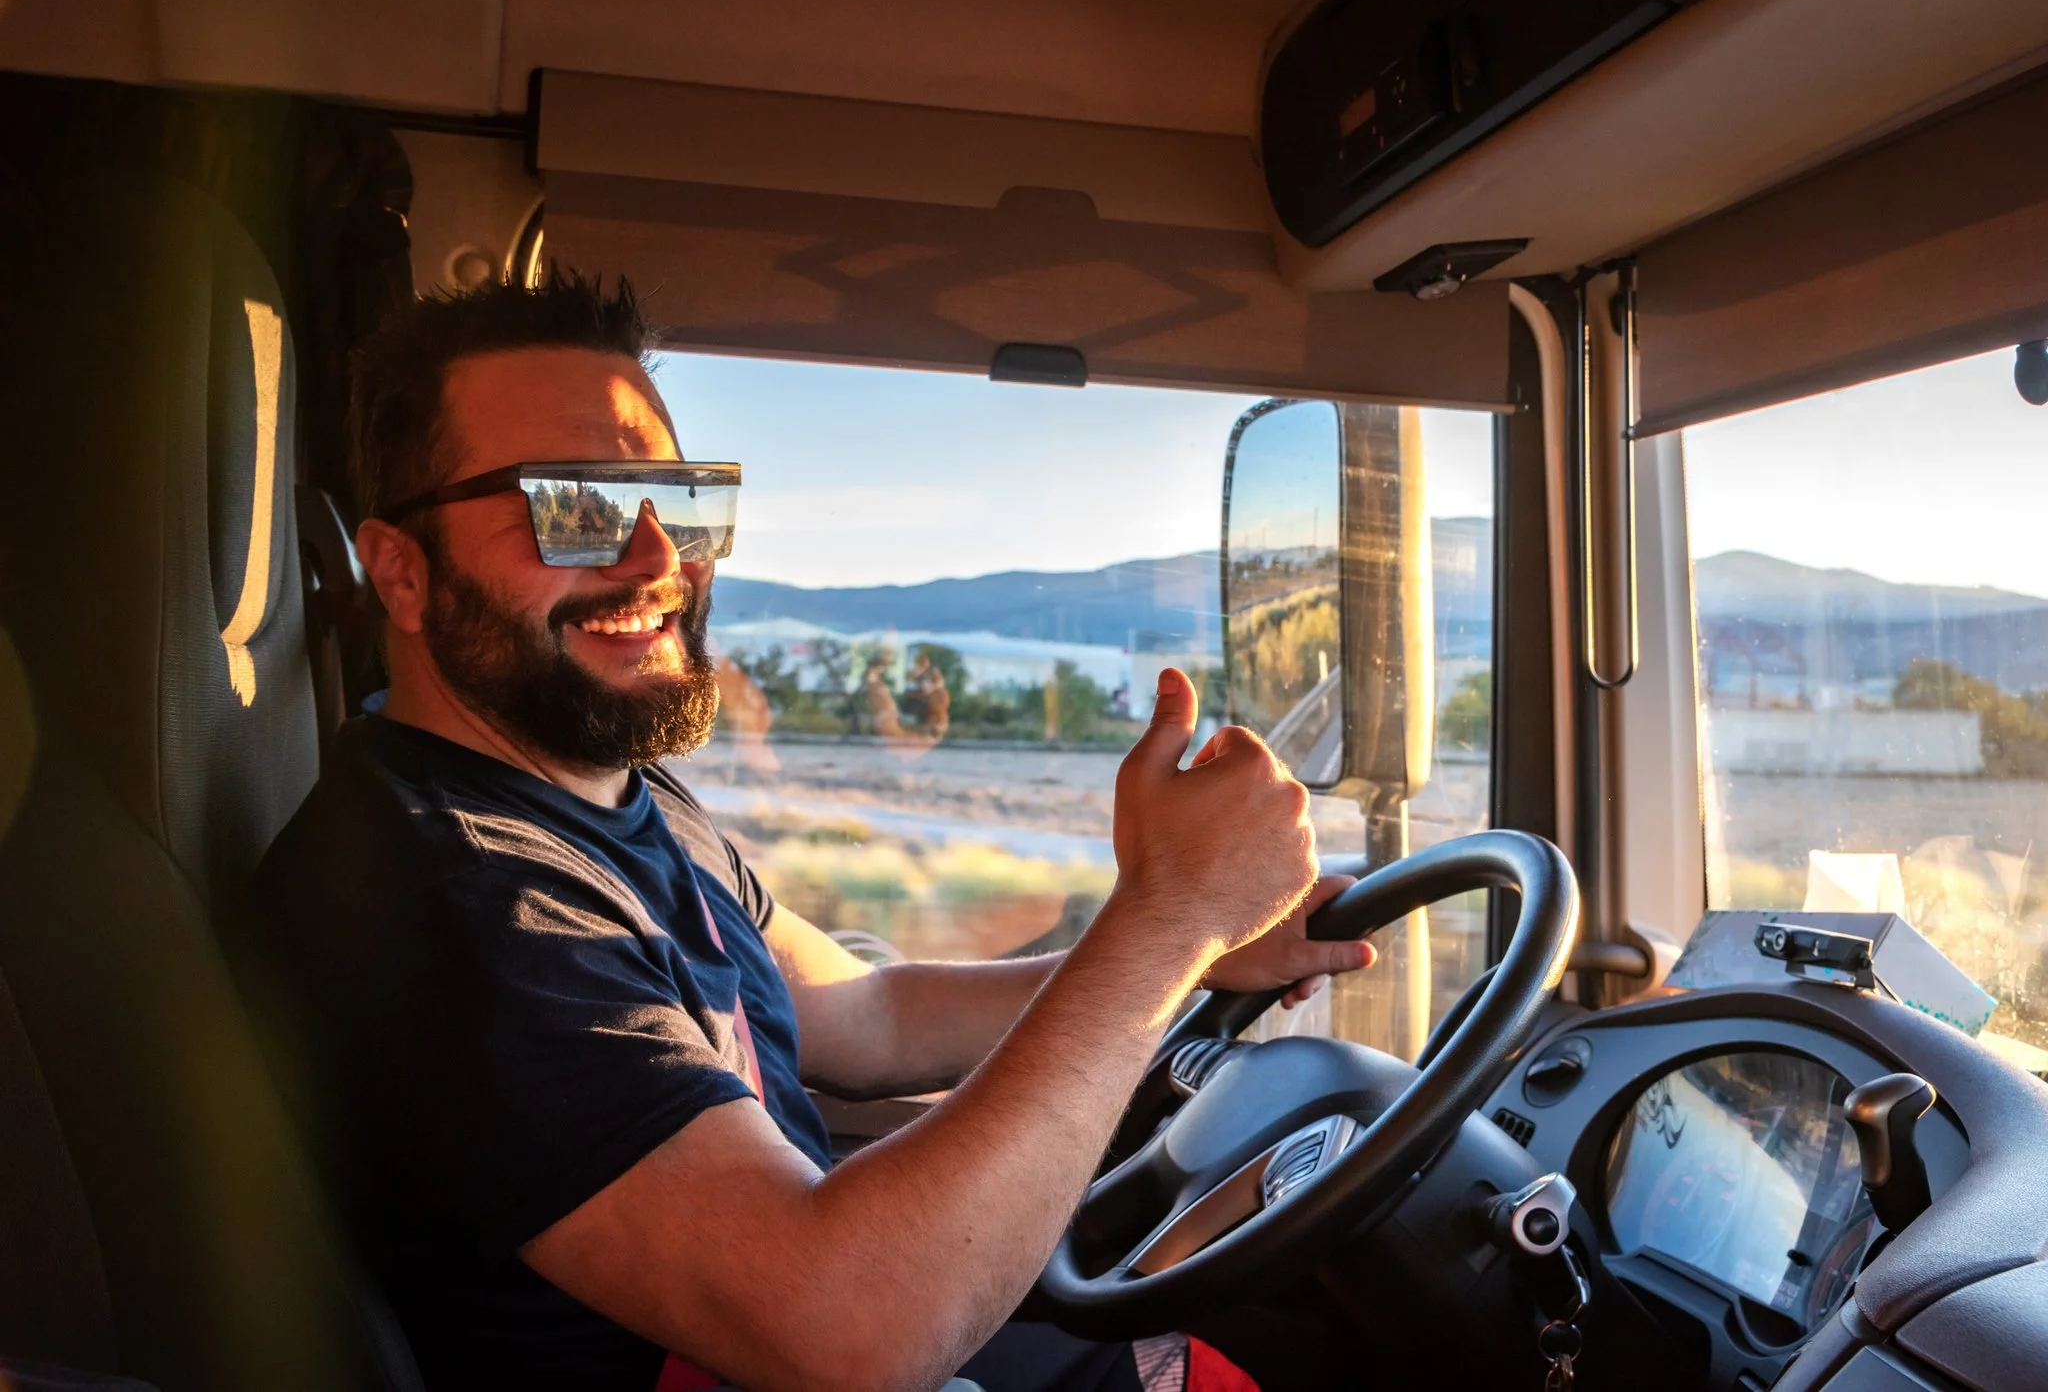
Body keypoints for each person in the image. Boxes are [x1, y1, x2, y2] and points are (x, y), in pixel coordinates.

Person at [247, 273, 1376, 1392]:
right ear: (401, 569)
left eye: (678, 504)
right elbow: (841, 1328)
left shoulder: (602, 796)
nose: (656, 561)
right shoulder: (455, 897)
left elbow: (867, 1014)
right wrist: (1162, 917)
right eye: (573, 506)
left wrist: (1195, 956)